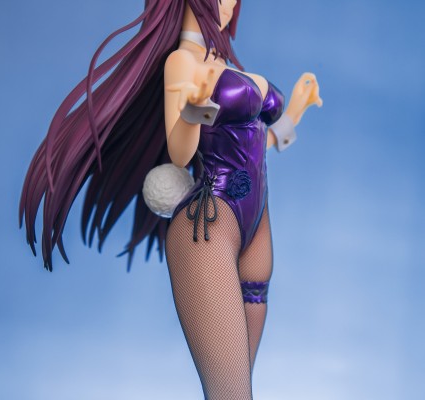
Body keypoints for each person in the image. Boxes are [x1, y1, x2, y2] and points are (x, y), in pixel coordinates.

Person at [20, 1, 322, 398]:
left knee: (238, 388)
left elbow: (253, 147)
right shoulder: (182, 63)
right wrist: (196, 108)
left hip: (255, 225)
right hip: (209, 223)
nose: (230, 3)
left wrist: (294, 111)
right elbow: (180, 153)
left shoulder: (222, 63)